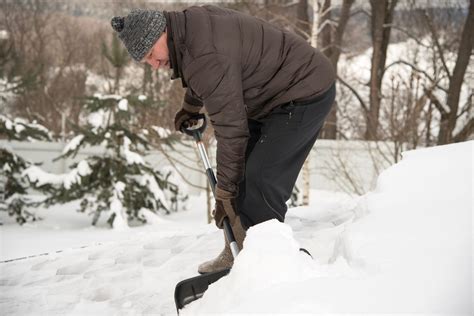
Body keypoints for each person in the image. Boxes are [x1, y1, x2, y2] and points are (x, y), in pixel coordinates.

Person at [111, 5, 336, 274]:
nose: (155, 64)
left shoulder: (203, 53)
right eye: (147, 61)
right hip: (270, 95)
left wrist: (225, 194)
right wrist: (191, 107)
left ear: (161, 32)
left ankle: (277, 265)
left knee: (261, 180)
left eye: (151, 54)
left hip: (303, 90)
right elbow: (206, 71)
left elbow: (231, 128)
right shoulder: (188, 28)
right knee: (242, 177)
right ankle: (241, 253)